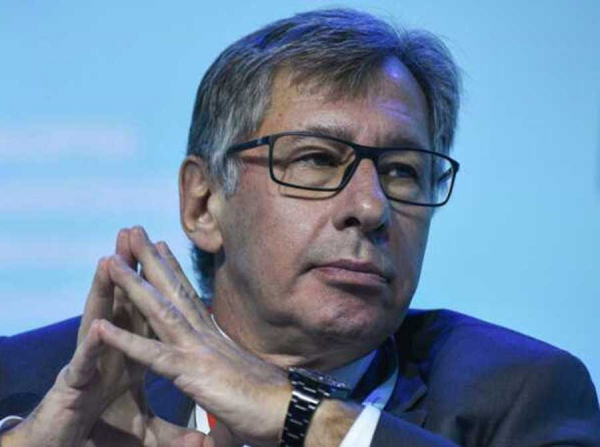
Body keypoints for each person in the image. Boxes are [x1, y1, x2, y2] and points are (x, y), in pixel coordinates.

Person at [1, 8, 599, 447]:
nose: (371, 208)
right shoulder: (28, 383)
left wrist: (300, 413)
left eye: (402, 170)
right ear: (204, 203)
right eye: (316, 159)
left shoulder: (520, 399)